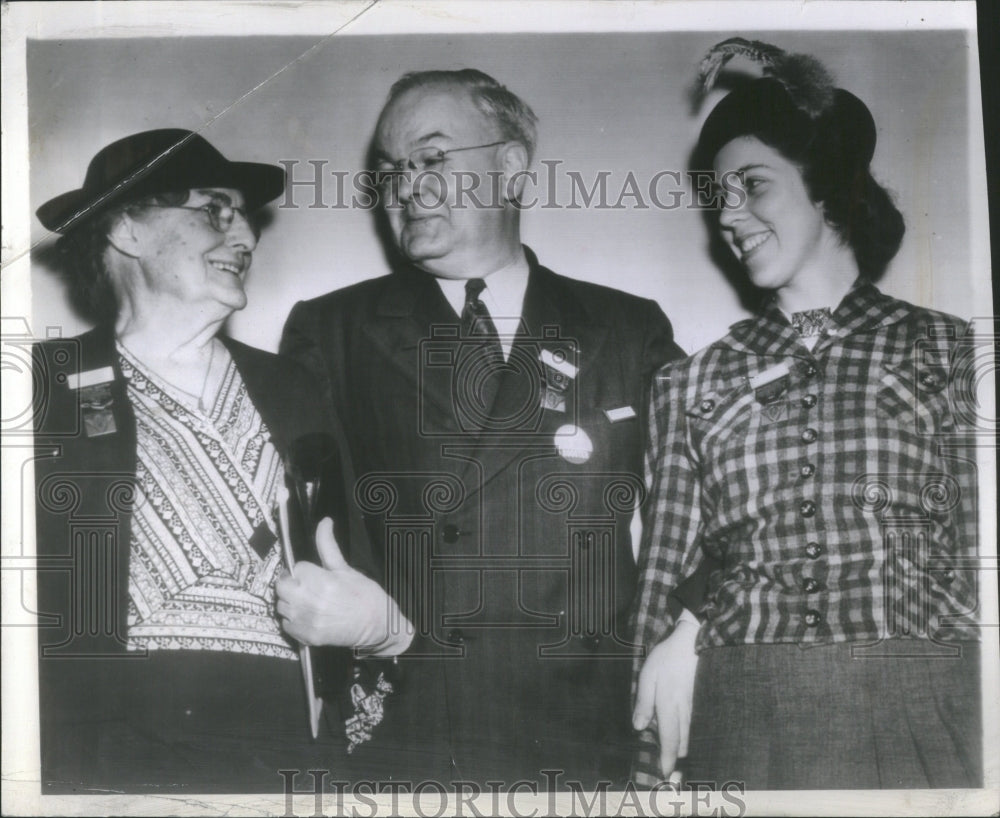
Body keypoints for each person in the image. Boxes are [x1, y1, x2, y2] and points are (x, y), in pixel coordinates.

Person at [280, 68, 686, 788]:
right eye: (392, 168)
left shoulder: (624, 327)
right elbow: (292, 530)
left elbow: (712, 489)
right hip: (410, 727)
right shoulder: (332, 330)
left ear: (510, 166)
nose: (407, 187)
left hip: (584, 732)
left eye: (432, 158)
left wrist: (692, 630)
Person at [631, 40, 982, 790]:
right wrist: (648, 750)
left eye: (753, 186)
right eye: (719, 197)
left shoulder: (952, 350)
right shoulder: (689, 383)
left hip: (925, 704)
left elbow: (980, 552)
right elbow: (663, 581)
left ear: (827, 191)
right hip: (743, 716)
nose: (730, 216)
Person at [32, 129, 411, 794]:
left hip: (288, 761)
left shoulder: (293, 388)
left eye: (243, 217)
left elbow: (355, 570)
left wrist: (376, 626)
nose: (244, 237)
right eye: (213, 209)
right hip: (110, 766)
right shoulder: (42, 388)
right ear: (128, 230)